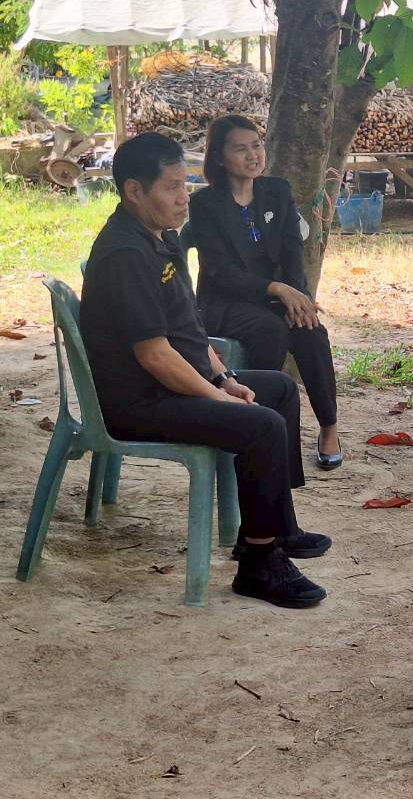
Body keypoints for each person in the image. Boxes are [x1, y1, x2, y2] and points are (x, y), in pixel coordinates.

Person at [80, 132, 331, 608]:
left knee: (276, 390)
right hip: (138, 401)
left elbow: (189, 332)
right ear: (134, 190)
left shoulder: (160, 238)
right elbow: (154, 355)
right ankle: (259, 564)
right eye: (172, 187)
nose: (184, 197)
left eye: (186, 184)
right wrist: (217, 399)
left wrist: (225, 379)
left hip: (167, 385)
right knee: (260, 425)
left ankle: (275, 528)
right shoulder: (126, 255)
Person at [188, 115, 342, 470]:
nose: (252, 155)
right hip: (225, 302)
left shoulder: (277, 191)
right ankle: (262, 425)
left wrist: (298, 298)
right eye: (240, 149)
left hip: (274, 298)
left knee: (311, 330)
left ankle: (329, 427)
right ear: (220, 158)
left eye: (256, 145)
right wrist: (276, 289)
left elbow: (292, 253)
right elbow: (221, 271)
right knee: (270, 331)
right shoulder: (205, 205)